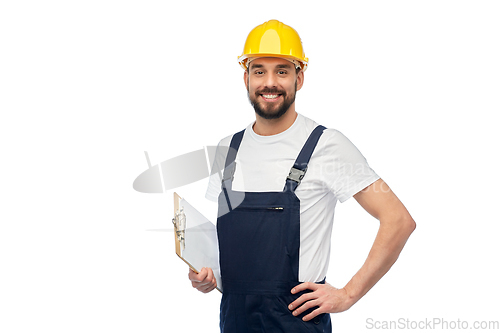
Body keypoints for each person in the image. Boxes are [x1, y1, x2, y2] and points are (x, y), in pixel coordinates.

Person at [188, 19, 416, 332]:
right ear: (246, 78)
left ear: (300, 77)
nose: (270, 82)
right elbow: (232, 248)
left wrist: (348, 294)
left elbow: (399, 221)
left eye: (282, 70)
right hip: (234, 320)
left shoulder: (327, 144)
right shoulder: (228, 149)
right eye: (259, 71)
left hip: (297, 321)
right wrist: (208, 275)